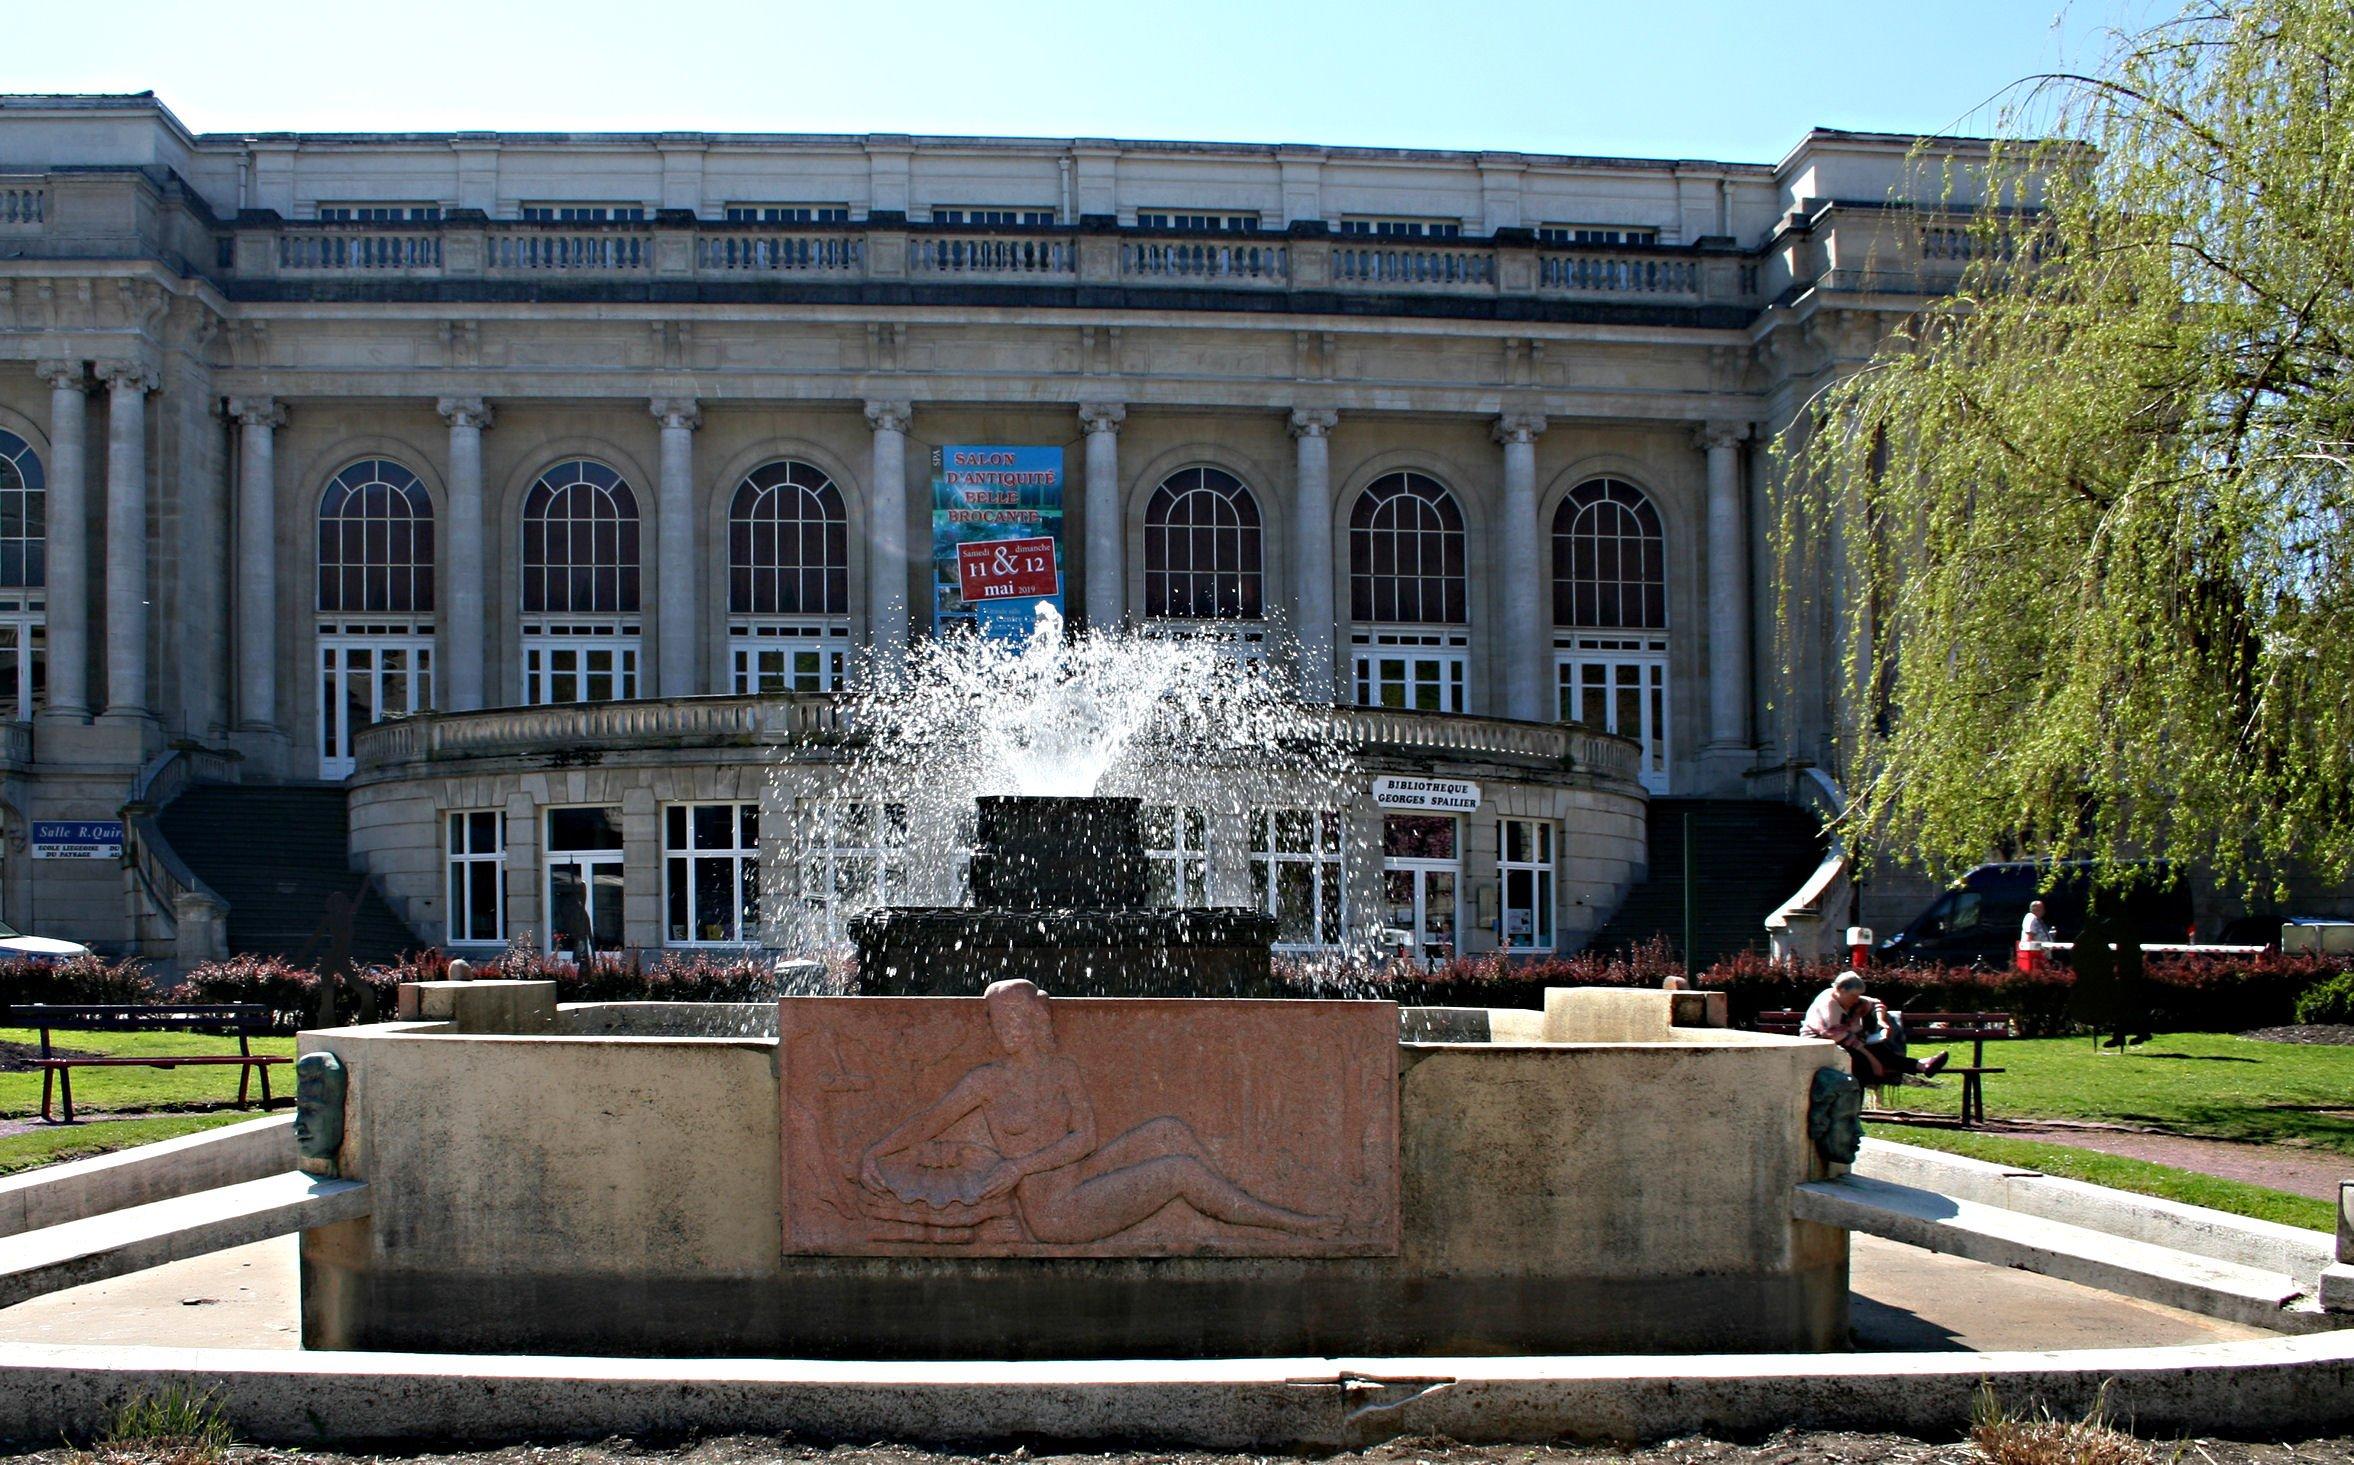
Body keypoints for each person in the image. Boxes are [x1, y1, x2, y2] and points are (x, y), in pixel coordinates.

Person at [856, 978, 1339, 1244]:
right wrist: (877, 1150)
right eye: (997, 1020)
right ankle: (1288, 1224)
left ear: (1036, 1019)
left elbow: (1084, 1139)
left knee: (1167, 1130)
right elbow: (928, 1122)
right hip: (1056, 1212)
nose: (1007, 1028)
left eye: (1015, 1017)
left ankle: (1228, 1210)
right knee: (1178, 1172)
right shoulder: (987, 1082)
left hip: (1081, 1176)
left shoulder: (1064, 1070)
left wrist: (1019, 1165)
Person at [1800, 972, 1950, 1086]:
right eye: (1854, 995)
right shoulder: (1828, 1005)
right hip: (1820, 1044)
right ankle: (1919, 1065)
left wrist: (1881, 1020)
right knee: (1865, 1058)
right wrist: (1873, 1061)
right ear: (1841, 990)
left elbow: (1876, 1003)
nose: (1856, 999)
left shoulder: (1849, 999)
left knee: (1878, 1047)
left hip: (1845, 1041)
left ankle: (1922, 1065)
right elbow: (1837, 1037)